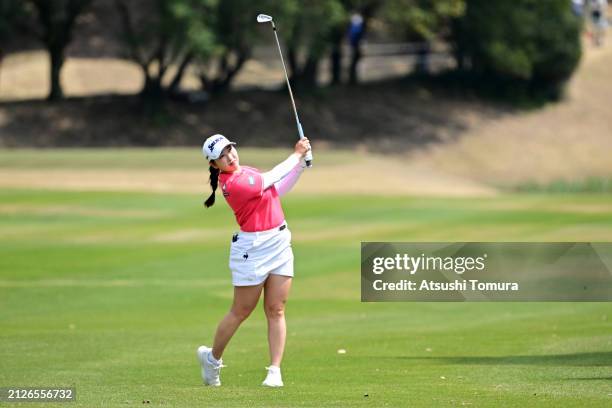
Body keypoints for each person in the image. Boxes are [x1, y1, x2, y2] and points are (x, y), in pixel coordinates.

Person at [196, 133, 311, 387]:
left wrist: (300, 167)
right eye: (222, 157)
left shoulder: (245, 171)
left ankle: (274, 371)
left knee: (276, 309)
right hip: (253, 249)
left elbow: (276, 189)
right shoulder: (234, 182)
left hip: (279, 241)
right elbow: (271, 177)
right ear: (214, 165)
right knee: (241, 311)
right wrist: (296, 154)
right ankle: (212, 359)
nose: (229, 157)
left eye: (230, 150)